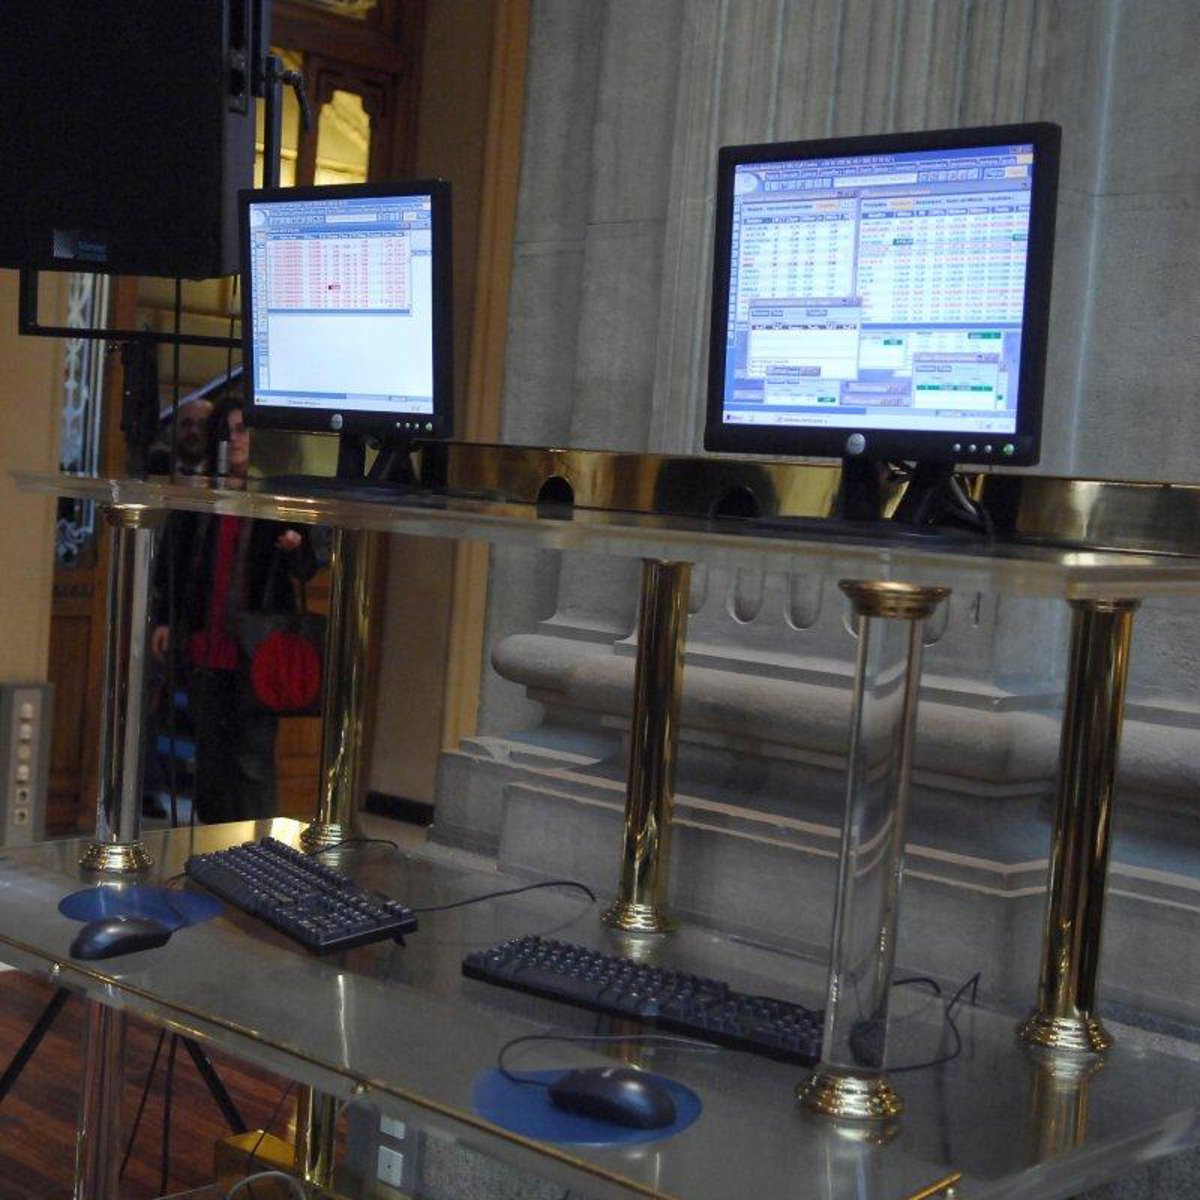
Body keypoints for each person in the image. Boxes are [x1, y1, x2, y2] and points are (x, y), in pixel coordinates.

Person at [150, 396, 321, 823]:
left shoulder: (277, 495)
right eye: (226, 431)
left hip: (257, 650)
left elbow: (307, 566)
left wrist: (295, 547)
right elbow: (173, 562)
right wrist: (165, 619)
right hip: (205, 645)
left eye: (243, 430)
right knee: (211, 761)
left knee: (252, 760)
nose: (236, 439)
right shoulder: (201, 493)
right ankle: (214, 846)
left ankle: (257, 848)